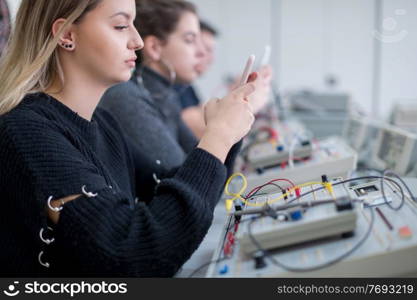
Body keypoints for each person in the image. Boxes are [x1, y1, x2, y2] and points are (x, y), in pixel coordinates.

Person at [0, 0, 256, 277]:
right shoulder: (25, 132)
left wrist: (227, 134)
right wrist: (217, 137)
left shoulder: (103, 125)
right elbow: (131, 254)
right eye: (121, 25)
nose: (137, 41)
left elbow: (169, 188)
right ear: (67, 35)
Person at [100, 0, 252, 201]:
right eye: (190, 40)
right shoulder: (126, 97)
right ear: (154, 47)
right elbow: (188, 184)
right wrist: (223, 130)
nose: (202, 52)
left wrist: (231, 127)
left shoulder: (165, 95)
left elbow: (204, 176)